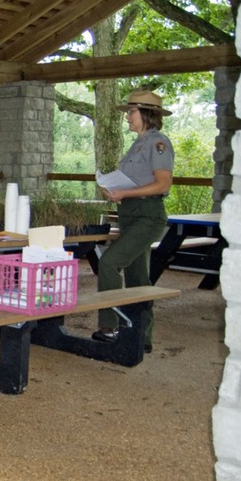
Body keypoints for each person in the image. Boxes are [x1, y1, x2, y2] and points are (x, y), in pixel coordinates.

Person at [93, 90, 174, 354]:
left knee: (108, 262)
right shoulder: (138, 144)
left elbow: (163, 184)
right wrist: (117, 191)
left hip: (147, 215)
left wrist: (125, 193)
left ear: (146, 114)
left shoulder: (158, 143)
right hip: (130, 213)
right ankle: (141, 335)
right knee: (138, 277)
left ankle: (110, 326)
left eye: (131, 112)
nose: (127, 117)